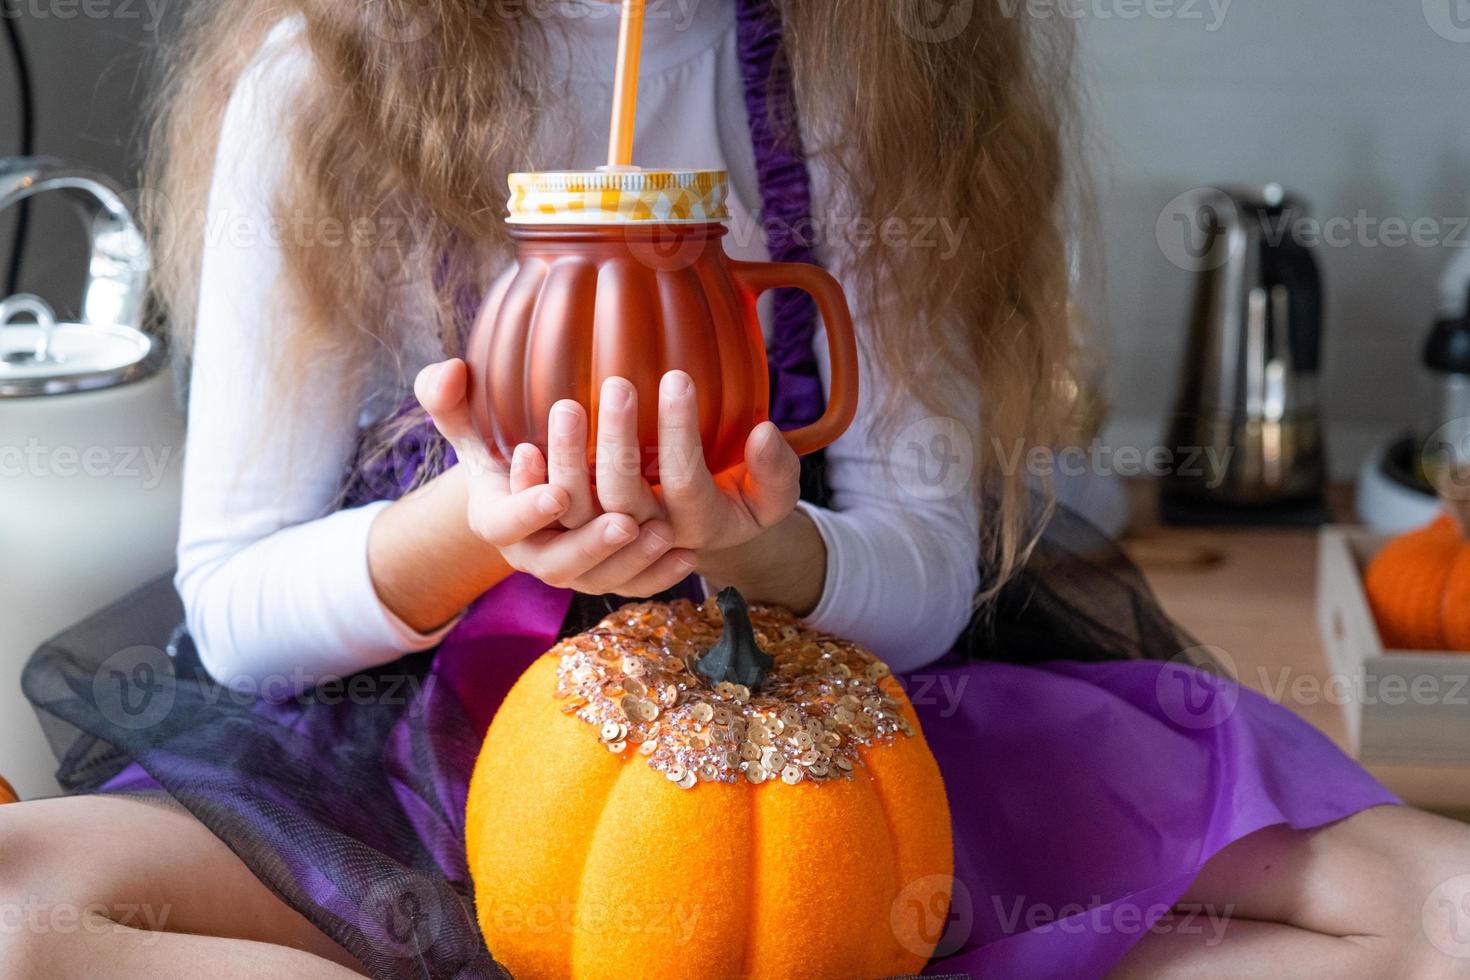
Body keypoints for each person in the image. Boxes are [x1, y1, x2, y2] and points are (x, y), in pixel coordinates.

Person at [7, 1, 1470, 977]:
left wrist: (764, 548)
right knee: (26, 902)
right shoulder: (324, 71)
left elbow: (922, 579)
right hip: (414, 765)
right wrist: (467, 528)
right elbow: (239, 616)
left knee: (1421, 889)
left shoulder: (875, 62)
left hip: (839, 742)